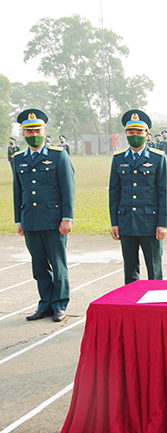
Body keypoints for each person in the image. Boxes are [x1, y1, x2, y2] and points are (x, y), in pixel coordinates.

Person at [12, 109, 75, 322]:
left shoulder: (58, 155)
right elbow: (17, 190)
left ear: (44, 131)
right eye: (28, 132)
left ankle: (59, 304)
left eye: (37, 130)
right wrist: (19, 220)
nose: (33, 135)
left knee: (58, 265)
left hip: (54, 220)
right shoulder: (18, 158)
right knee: (39, 265)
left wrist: (67, 217)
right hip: (30, 219)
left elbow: (68, 188)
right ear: (23, 134)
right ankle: (45, 304)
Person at [109, 110, 167, 285]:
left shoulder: (158, 158)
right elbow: (114, 193)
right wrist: (114, 222)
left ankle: (156, 305)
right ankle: (132, 306)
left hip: (150, 222)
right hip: (126, 221)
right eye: (131, 132)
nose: (135, 136)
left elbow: (163, 192)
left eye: (139, 132)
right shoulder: (118, 159)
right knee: (130, 270)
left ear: (147, 134)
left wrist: (163, 224)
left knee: (154, 269)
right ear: (126, 133)